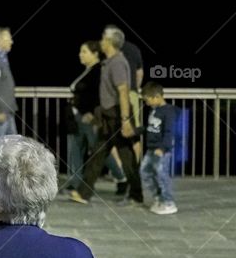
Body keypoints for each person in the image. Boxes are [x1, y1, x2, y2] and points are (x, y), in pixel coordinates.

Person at [70, 26, 143, 206]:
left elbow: (123, 91)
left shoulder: (117, 62)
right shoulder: (109, 62)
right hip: (108, 116)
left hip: (117, 116)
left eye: (103, 39)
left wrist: (125, 120)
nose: (101, 41)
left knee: (126, 158)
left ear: (110, 42)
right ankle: (84, 193)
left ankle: (135, 195)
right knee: (98, 153)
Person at [62, 40, 125, 192]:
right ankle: (76, 181)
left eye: (84, 52)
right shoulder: (88, 70)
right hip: (77, 117)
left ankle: (122, 178)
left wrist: (90, 112)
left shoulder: (99, 71)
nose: (80, 55)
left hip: (89, 117)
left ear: (95, 54)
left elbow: (98, 95)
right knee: (75, 148)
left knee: (99, 149)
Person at [140, 81, 177, 215]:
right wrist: (137, 131)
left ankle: (168, 202)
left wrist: (162, 148)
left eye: (148, 100)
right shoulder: (154, 110)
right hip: (151, 149)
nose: (147, 103)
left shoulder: (168, 112)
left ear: (156, 97)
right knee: (145, 172)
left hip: (162, 150)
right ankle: (158, 198)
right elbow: (150, 128)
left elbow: (168, 132)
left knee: (161, 174)